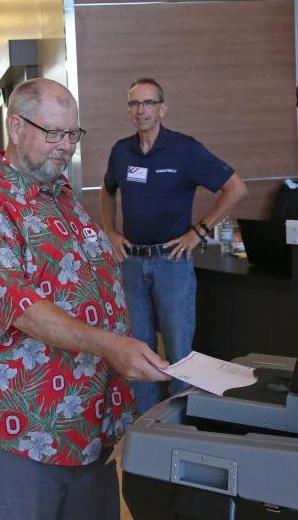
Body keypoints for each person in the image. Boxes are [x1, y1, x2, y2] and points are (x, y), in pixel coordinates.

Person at [0, 78, 170, 520]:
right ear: (15, 127)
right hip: (19, 433)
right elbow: (17, 304)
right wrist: (111, 345)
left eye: (73, 134)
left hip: (81, 428)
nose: (65, 146)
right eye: (53, 133)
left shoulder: (62, 196)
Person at [100, 77, 248, 414]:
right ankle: (148, 429)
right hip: (132, 265)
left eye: (149, 103)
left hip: (172, 263)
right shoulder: (121, 152)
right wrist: (109, 231)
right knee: (139, 353)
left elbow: (236, 188)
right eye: (135, 103)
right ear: (128, 110)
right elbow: (107, 191)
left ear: (162, 108)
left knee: (180, 353)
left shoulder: (185, 149)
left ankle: (181, 430)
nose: (141, 110)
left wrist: (200, 230)